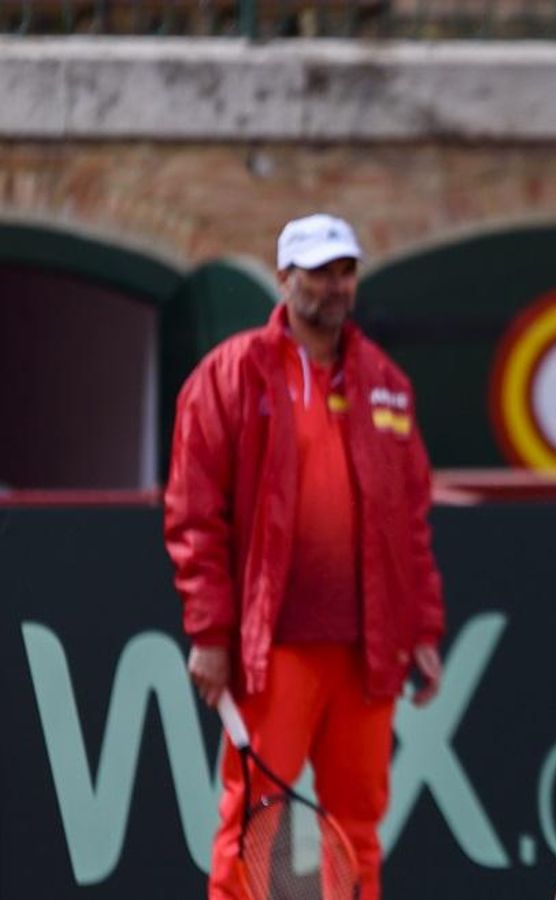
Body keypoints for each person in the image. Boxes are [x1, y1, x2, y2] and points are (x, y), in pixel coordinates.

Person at [163, 213, 446, 899]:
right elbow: (194, 514)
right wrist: (209, 631)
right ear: (285, 276)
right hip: (274, 647)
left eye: (344, 271)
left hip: (367, 648)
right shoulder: (228, 375)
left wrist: (423, 629)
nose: (334, 285)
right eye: (318, 272)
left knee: (360, 830)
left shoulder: (387, 381)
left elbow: (410, 521)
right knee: (251, 823)